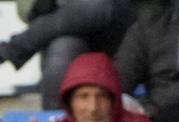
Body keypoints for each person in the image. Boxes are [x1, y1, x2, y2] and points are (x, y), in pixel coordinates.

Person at [13, 51, 159, 122]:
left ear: (114, 100)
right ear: (69, 101)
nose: (93, 107)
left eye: (102, 96)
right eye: (83, 97)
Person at [0, 0, 132, 110]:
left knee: (97, 4)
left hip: (120, 28)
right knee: (63, 47)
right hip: (65, 31)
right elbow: (26, 10)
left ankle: (10, 49)